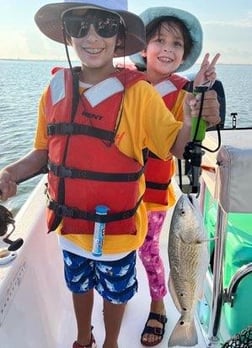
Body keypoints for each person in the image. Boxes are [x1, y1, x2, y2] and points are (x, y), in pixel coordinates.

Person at [0, 1, 220, 348]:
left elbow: (176, 145)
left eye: (104, 25)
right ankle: (82, 336)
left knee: (116, 293)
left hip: (118, 234)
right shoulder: (54, 90)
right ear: (66, 33)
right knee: (78, 285)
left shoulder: (140, 94)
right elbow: (43, 151)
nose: (91, 36)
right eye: (79, 25)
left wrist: (193, 113)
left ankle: (111, 341)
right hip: (70, 228)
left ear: (120, 38)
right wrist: (10, 172)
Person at [130, 7, 220, 346]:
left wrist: (202, 97)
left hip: (152, 193)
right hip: (117, 190)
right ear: (143, 47)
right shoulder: (124, 81)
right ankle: (117, 299)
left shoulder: (185, 90)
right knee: (118, 251)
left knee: (149, 250)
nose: (167, 49)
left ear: (183, 55)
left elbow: (192, 137)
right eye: (159, 40)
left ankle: (158, 306)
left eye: (176, 44)